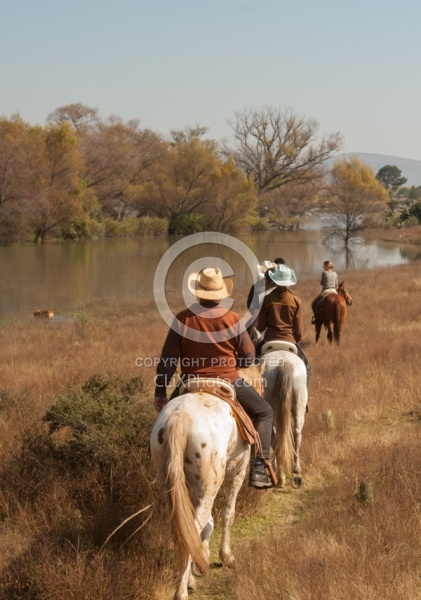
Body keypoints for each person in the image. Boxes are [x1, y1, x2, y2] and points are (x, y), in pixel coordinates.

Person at [153, 267, 274, 489]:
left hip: (189, 381)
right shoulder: (232, 319)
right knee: (265, 412)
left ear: (198, 292)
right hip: (228, 381)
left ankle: (158, 467)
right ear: (221, 294)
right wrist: (231, 363)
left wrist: (160, 393)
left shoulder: (182, 319)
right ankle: (258, 468)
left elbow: (168, 362)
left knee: (165, 422)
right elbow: (248, 358)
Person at [253, 263, 312, 383]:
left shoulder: (267, 299)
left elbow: (260, 327)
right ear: (289, 281)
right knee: (307, 368)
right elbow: (299, 331)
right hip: (290, 340)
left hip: (269, 340)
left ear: (275, 280)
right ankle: (305, 402)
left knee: (251, 364)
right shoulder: (296, 301)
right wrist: (297, 339)